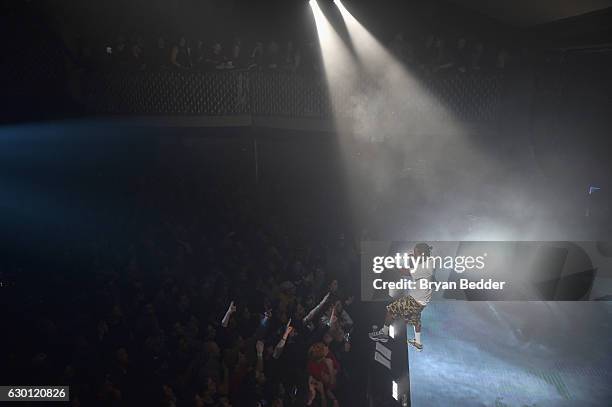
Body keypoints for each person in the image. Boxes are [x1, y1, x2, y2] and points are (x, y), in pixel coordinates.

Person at [369, 243, 434, 351]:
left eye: (415, 252)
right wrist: (413, 258)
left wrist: (393, 264)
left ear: (422, 254)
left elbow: (404, 272)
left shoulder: (424, 268)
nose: (413, 254)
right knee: (416, 320)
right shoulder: (429, 261)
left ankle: (383, 334)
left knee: (391, 309)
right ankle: (418, 343)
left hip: (414, 300)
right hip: (422, 301)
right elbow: (418, 263)